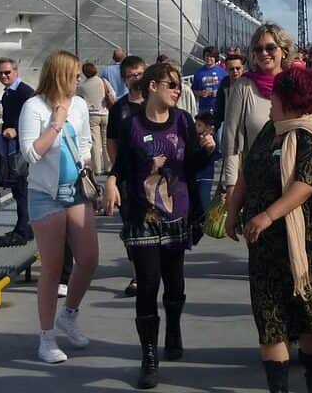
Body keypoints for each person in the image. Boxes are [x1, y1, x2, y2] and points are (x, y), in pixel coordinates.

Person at [225, 62, 312, 393]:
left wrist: (267, 215)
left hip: (311, 248)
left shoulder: (311, 135)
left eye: (276, 96)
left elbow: (305, 184)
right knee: (271, 321)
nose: (271, 102)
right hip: (266, 246)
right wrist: (233, 209)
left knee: (310, 320)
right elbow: (247, 170)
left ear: (291, 99)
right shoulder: (271, 130)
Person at [104, 62, 215, 389]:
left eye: (179, 85)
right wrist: (111, 182)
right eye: (171, 84)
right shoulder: (132, 125)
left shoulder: (182, 120)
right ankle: (148, 357)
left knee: (175, 284)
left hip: (177, 214)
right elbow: (123, 164)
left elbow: (191, 164)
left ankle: (174, 328)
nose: (177, 90)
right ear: (153, 86)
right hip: (144, 217)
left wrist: (209, 152)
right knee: (148, 284)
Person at [19, 50, 99, 364]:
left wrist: (88, 164)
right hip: (45, 194)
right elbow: (30, 154)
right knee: (52, 268)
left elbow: (83, 144)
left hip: (76, 190)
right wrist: (55, 124)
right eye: (75, 74)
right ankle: (47, 336)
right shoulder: (34, 107)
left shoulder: (79, 104)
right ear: (61, 74)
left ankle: (70, 314)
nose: (79, 79)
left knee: (89, 259)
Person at [222, 23, 294, 202]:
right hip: (257, 182)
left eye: (270, 47)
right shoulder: (243, 86)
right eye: (258, 49)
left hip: (294, 180)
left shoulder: (297, 83)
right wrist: (231, 185)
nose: (264, 53)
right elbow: (230, 139)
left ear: (284, 50)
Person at [106, 54, 146, 297]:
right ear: (123, 79)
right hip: (128, 178)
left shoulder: (155, 102)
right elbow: (111, 140)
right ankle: (137, 274)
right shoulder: (119, 108)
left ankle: (156, 266)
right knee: (131, 226)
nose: (136, 79)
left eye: (140, 74)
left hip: (157, 178)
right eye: (131, 76)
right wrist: (117, 170)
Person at [0, 57, 35, 246]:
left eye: (7, 72)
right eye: (1, 73)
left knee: (21, 187)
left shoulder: (24, 92)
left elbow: (33, 118)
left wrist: (16, 131)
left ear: (16, 72)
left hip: (22, 147)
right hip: (13, 146)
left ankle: (22, 231)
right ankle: (26, 228)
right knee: (18, 187)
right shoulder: (8, 94)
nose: (4, 76)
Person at [76, 61, 110, 175]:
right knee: (106, 141)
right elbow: (112, 94)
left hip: (92, 115)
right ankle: (108, 166)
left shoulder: (82, 86)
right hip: (105, 113)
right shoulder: (103, 81)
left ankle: (97, 168)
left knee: (95, 143)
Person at [214, 51, 244, 131]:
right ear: (226, 69)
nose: (235, 71)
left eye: (238, 68)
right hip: (229, 127)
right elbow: (219, 110)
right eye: (231, 69)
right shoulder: (223, 86)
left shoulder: (250, 85)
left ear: (242, 68)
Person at [192, 46, 226, 115]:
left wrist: (219, 93)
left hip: (219, 108)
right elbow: (194, 90)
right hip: (204, 108)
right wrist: (201, 93)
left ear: (215, 58)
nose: (209, 58)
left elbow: (228, 89)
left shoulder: (223, 73)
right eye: (207, 56)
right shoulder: (198, 73)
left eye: (211, 56)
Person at [194, 110, 217, 210]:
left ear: (209, 128)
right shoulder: (196, 139)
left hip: (206, 177)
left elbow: (215, 156)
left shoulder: (211, 141)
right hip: (197, 177)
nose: (196, 128)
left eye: (199, 125)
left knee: (205, 204)